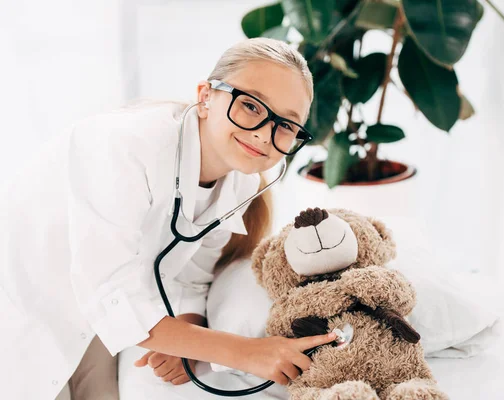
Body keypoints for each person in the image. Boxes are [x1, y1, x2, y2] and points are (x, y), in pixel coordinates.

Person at [0, 37, 337, 400]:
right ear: (206, 96)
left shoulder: (239, 182)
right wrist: (246, 352)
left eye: (287, 125)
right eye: (251, 106)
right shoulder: (123, 145)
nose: (265, 133)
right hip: (24, 310)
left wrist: (190, 339)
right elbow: (109, 294)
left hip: (91, 325)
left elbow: (193, 276)